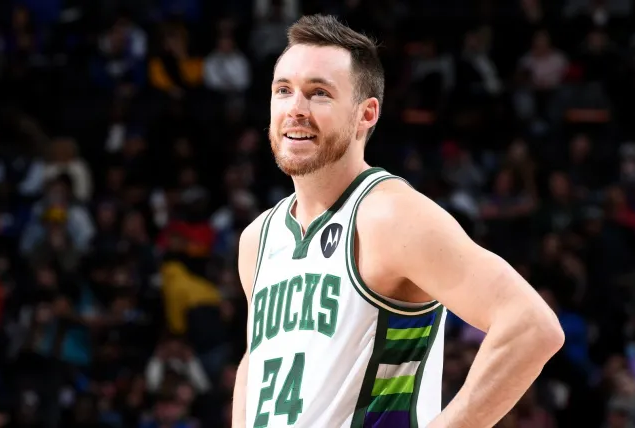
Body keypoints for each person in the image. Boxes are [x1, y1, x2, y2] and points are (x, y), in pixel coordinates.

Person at [232, 14, 565, 428]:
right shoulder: (258, 238)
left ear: (366, 114)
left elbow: (531, 326)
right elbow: (256, 359)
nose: (295, 109)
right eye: (283, 90)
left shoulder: (390, 216)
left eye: (319, 93)